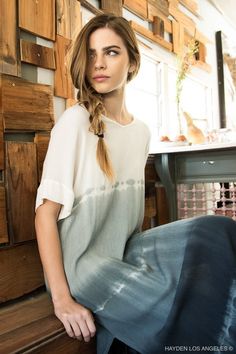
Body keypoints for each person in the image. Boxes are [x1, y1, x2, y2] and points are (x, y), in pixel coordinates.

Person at [35, 13, 236, 354]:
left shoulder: (141, 132)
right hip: (84, 268)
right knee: (192, 311)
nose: (99, 63)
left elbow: (126, 220)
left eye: (111, 52)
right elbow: (44, 215)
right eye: (92, 54)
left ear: (132, 62)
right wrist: (62, 299)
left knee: (217, 232)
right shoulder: (75, 122)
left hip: (123, 253)